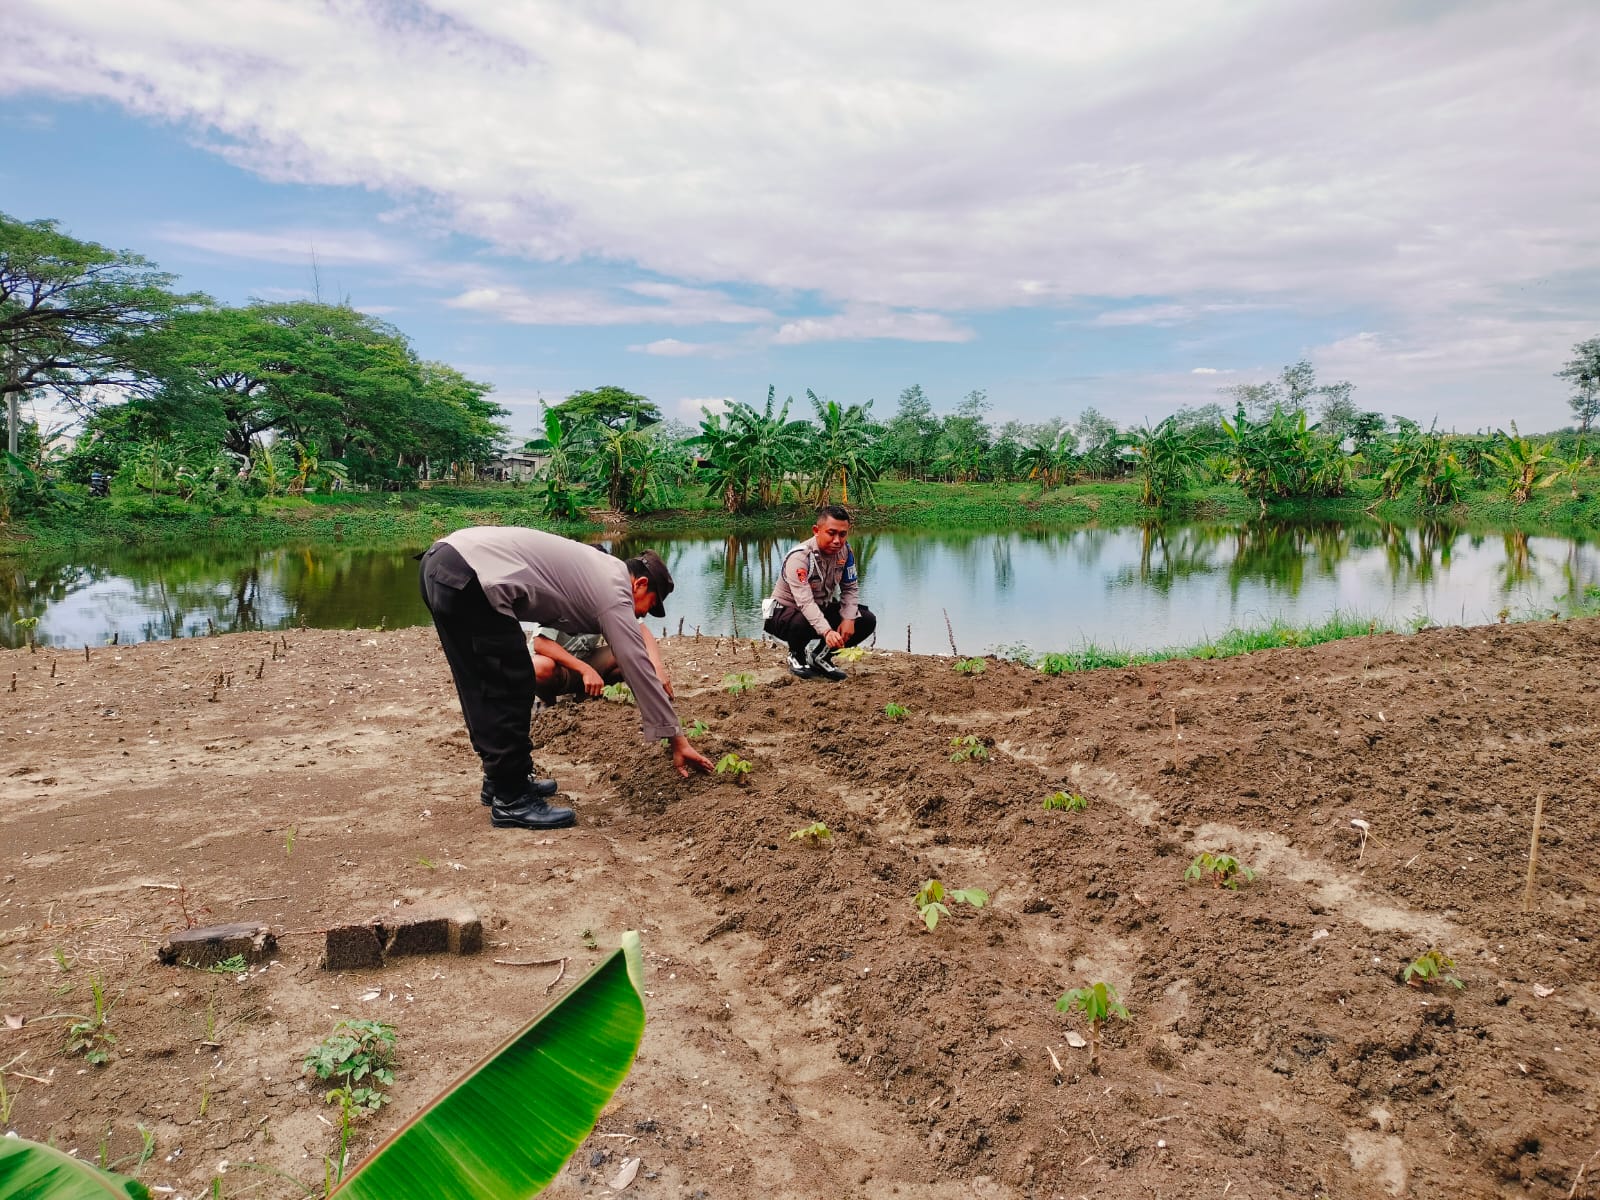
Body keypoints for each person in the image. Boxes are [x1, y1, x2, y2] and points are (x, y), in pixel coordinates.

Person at [419, 527, 713, 830]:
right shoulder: (614, 590)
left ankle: (501, 781)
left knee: (482, 682)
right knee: (511, 681)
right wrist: (678, 740)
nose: (643, 614)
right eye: (649, 605)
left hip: (443, 564)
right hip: (468, 575)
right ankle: (512, 799)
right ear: (640, 584)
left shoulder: (600, 569)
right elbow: (637, 665)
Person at [763, 504, 878, 681]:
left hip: (819, 608)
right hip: (785, 614)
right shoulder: (800, 558)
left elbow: (850, 588)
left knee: (865, 619)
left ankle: (821, 657)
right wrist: (827, 631)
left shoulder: (846, 552)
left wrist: (849, 618)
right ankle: (796, 655)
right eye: (831, 533)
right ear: (816, 530)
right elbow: (805, 602)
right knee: (802, 620)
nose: (837, 540)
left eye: (843, 534)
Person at [531, 623, 674, 703]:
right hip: (558, 669)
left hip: (588, 662)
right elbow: (541, 644)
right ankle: (548, 703)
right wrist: (585, 669)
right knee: (539, 667)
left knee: (635, 651)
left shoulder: (609, 596)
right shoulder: (558, 597)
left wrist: (657, 668)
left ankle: (586, 694)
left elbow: (641, 630)